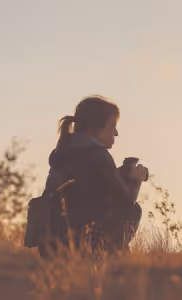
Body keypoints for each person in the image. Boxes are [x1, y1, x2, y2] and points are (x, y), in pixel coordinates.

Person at [38, 95, 148, 258]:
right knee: (133, 210)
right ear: (95, 128)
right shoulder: (97, 155)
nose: (116, 133)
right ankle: (112, 256)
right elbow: (126, 202)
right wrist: (136, 179)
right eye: (112, 126)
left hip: (51, 245)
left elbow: (88, 184)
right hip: (84, 244)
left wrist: (119, 174)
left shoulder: (65, 150)